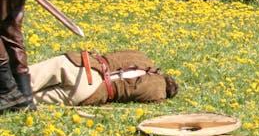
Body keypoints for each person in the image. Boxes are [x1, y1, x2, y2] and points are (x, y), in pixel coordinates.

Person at [27, 50, 178, 106]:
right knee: (28, 100)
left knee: (24, 79)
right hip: (91, 91)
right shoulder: (158, 94)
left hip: (82, 65)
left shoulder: (141, 56)